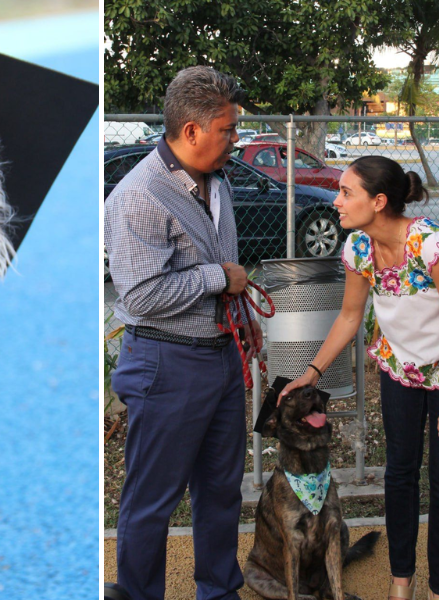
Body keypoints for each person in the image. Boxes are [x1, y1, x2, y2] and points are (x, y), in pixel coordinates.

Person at [280, 156, 439, 600]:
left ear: (378, 201)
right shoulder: (358, 248)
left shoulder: (435, 247)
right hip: (401, 367)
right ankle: (402, 581)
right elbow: (349, 317)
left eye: (346, 192)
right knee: (399, 473)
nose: (336, 201)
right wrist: (311, 373)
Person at [104, 65, 261, 600]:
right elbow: (142, 297)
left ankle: (218, 590)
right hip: (166, 364)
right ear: (192, 131)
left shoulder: (216, 182)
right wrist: (221, 278)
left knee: (220, 491)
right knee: (153, 499)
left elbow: (222, 268)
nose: (235, 139)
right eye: (228, 128)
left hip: (219, 358)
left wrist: (244, 321)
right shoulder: (138, 196)